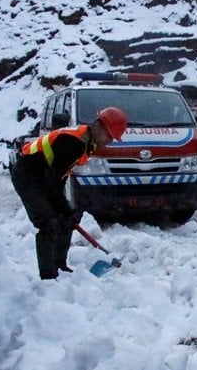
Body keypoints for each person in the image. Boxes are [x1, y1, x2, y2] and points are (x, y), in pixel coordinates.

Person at [11, 107, 128, 280]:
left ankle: (60, 265)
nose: (109, 141)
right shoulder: (74, 142)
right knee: (48, 223)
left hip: (42, 176)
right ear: (98, 125)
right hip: (27, 176)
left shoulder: (86, 142)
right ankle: (48, 278)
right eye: (109, 136)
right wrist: (64, 208)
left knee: (67, 220)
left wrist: (66, 212)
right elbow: (54, 180)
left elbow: (60, 176)